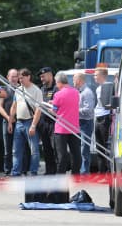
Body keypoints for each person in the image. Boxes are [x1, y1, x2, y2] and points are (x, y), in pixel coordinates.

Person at [49, 72, 81, 203]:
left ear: (58, 83)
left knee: (62, 156)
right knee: (76, 153)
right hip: (74, 128)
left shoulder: (58, 94)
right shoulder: (76, 92)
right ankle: (76, 174)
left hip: (61, 129)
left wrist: (51, 104)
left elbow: (54, 111)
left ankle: (60, 178)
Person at [8, 68, 42, 180]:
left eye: (22, 78)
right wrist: (10, 121)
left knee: (34, 150)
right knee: (16, 150)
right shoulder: (18, 89)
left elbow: (38, 109)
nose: (20, 80)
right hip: (19, 122)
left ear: (28, 77)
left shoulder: (36, 90)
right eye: (19, 78)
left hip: (29, 121)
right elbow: (14, 106)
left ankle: (33, 172)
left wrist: (33, 125)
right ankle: (15, 172)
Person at [73, 72, 96, 174]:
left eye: (74, 79)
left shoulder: (87, 92)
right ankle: (81, 171)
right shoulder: (80, 91)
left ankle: (84, 173)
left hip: (86, 123)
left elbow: (89, 109)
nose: (73, 82)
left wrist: (75, 110)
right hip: (80, 122)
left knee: (84, 149)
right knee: (79, 148)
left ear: (79, 80)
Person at [0, 68, 19, 175]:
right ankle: (7, 170)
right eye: (12, 76)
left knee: (18, 148)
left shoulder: (21, 89)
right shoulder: (3, 89)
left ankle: (18, 169)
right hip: (7, 121)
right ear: (7, 77)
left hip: (20, 121)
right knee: (8, 148)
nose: (15, 78)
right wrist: (8, 118)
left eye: (16, 76)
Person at [38, 66, 58, 175]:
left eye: (43, 76)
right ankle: (49, 171)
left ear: (50, 75)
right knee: (46, 148)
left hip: (53, 122)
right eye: (41, 77)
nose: (42, 79)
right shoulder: (42, 89)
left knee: (54, 147)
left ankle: (56, 171)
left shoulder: (56, 88)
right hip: (43, 122)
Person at [94, 67, 112, 174]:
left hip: (105, 118)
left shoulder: (108, 86)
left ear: (102, 76)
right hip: (98, 116)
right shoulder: (98, 88)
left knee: (106, 146)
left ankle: (109, 172)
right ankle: (101, 172)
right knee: (99, 146)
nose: (94, 77)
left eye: (96, 75)